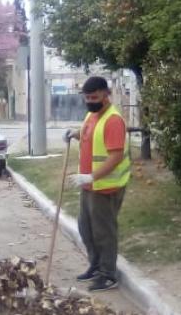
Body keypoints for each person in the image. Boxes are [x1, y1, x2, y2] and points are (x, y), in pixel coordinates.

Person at [63, 76, 131, 292]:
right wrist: (75, 134)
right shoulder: (92, 115)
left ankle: (108, 274)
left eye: (94, 97)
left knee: (104, 232)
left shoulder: (113, 120)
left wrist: (92, 176)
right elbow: (89, 135)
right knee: (86, 228)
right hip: (89, 186)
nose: (90, 101)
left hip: (106, 187)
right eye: (87, 98)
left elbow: (116, 156)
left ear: (106, 94)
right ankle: (95, 264)